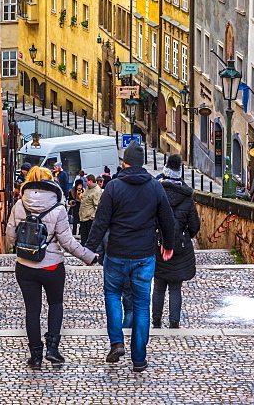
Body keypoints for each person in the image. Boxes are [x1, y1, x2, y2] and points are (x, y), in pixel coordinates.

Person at [85, 140, 175, 374]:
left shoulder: (114, 187)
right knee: (142, 305)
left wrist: (89, 249)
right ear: (142, 163)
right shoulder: (155, 187)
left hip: (116, 253)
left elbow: (101, 221)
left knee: (113, 295)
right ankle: (139, 359)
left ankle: (117, 343)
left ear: (124, 163)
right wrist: (168, 244)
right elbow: (167, 218)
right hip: (144, 254)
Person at [6, 165, 98, 369]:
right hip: (51, 267)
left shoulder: (19, 205)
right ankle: (52, 349)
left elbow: (11, 237)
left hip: (25, 267)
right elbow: (68, 242)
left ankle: (35, 356)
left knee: (32, 310)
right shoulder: (57, 209)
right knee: (55, 304)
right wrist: (89, 257)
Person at [152, 154, 200, 329]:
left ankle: (156, 321)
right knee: (175, 287)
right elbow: (195, 225)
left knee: (158, 286)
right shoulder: (186, 198)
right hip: (179, 246)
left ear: (165, 174)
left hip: (158, 245)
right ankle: (174, 322)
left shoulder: (157, 193)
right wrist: (184, 235)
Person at [78, 174, 101, 245]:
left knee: (89, 237)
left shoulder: (96, 191)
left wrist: (93, 216)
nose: (85, 183)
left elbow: (97, 205)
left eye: (86, 181)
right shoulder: (88, 188)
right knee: (83, 236)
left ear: (90, 181)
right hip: (83, 216)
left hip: (89, 218)